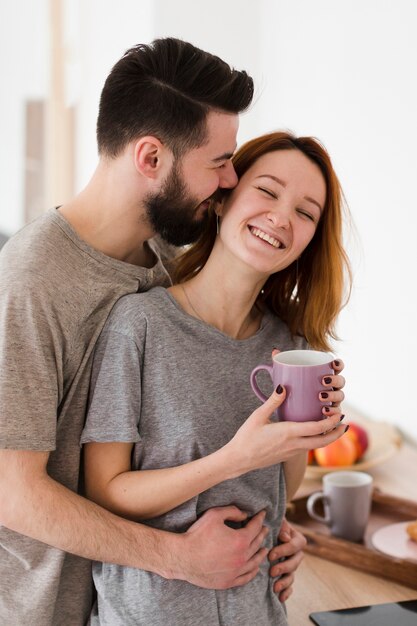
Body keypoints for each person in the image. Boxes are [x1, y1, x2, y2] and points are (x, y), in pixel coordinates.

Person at [0, 38, 317, 625]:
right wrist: (180, 559)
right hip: (43, 611)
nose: (229, 182)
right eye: (219, 162)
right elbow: (13, 494)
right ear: (151, 158)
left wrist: (268, 528)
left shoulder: (170, 256)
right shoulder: (30, 282)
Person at [81, 130, 351, 626]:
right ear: (224, 199)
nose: (281, 218)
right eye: (267, 191)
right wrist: (232, 460)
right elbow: (105, 493)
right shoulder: (139, 325)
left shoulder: (292, 346)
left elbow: (277, 490)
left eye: (306, 212)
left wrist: (300, 440)